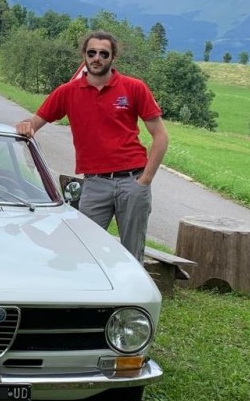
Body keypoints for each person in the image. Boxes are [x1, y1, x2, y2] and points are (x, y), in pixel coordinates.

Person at [15, 30, 169, 262]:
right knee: (82, 249)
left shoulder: (134, 87)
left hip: (132, 181)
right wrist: (26, 125)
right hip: (95, 184)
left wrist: (145, 180)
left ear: (112, 57)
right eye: (92, 53)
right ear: (84, 56)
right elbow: (34, 122)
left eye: (103, 54)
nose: (97, 58)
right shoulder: (67, 92)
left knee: (131, 253)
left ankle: (129, 298)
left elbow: (160, 135)